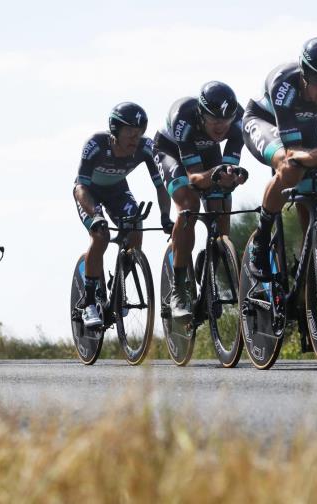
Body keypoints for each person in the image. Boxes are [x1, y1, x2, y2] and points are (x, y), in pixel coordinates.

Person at [243, 37, 317, 279]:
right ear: (305, 75)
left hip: (305, 124)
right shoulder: (284, 84)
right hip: (264, 120)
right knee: (290, 167)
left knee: (315, 193)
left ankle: (309, 278)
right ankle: (261, 239)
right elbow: (292, 152)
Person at [73, 102, 172, 328]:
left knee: (135, 229)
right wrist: (96, 215)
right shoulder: (95, 145)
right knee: (101, 236)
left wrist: (165, 216)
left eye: (139, 133)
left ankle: (118, 287)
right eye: (130, 132)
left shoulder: (146, 148)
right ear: (115, 130)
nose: (135, 138)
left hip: (117, 191)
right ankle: (89, 302)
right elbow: (80, 187)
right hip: (88, 194)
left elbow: (161, 186)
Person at [154, 81, 248, 318]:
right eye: (214, 120)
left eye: (226, 120)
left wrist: (232, 177)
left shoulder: (240, 121)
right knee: (190, 205)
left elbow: (228, 171)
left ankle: (208, 272)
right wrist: (215, 175)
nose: (221, 126)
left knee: (221, 208)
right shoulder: (184, 117)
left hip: (207, 152)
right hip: (171, 151)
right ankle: (178, 289)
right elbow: (195, 178)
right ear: (201, 114)